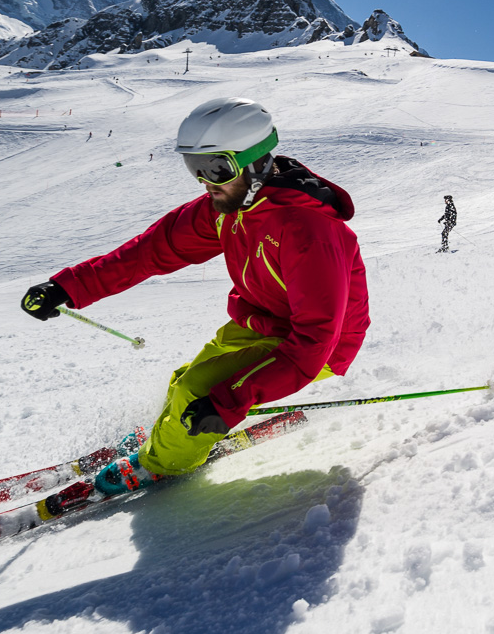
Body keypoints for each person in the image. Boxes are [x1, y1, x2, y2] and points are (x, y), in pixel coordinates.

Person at [20, 97, 369, 493]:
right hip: (259, 321)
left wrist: (227, 404)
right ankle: (170, 436)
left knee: (196, 392)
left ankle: (160, 464)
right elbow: (152, 250)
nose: (206, 182)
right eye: (195, 167)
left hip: (317, 344)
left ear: (255, 163)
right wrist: (69, 285)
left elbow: (314, 340)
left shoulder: (309, 231)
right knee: (182, 380)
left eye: (216, 168)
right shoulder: (228, 206)